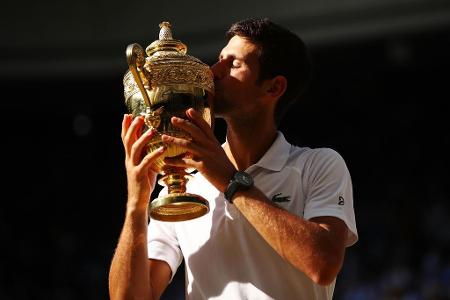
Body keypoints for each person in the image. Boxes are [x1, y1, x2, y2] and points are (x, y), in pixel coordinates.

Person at [109, 17, 358, 300]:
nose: (213, 72)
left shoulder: (319, 165)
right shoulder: (183, 181)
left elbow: (323, 265)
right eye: (219, 60)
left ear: (273, 88)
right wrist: (136, 203)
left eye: (234, 64)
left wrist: (230, 182)